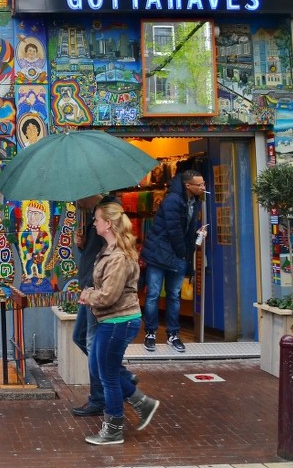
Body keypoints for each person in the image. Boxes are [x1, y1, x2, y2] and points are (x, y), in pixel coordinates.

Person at [79, 201, 159, 445]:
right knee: (101, 369)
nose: (94, 223)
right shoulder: (109, 250)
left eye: (97, 220)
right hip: (113, 321)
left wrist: (88, 296)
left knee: (108, 376)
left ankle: (113, 429)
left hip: (118, 321)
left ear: (108, 224)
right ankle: (141, 402)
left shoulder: (118, 257)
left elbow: (109, 296)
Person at [70, 194, 137, 417]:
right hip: (90, 289)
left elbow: (109, 291)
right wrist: (83, 245)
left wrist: (90, 294)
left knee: (93, 346)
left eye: (78, 197)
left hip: (98, 297)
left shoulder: (108, 212)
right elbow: (98, 255)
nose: (75, 202)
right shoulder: (93, 218)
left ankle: (104, 402)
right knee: (81, 338)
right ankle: (124, 382)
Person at [140, 169, 206, 353]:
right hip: (159, 254)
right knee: (153, 294)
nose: (203, 187)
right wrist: (184, 253)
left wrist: (196, 235)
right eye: (199, 184)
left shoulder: (194, 201)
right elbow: (174, 230)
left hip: (176, 255)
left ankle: (173, 334)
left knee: (173, 296)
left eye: (203, 184)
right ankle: (151, 333)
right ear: (188, 185)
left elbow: (185, 229)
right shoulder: (172, 201)